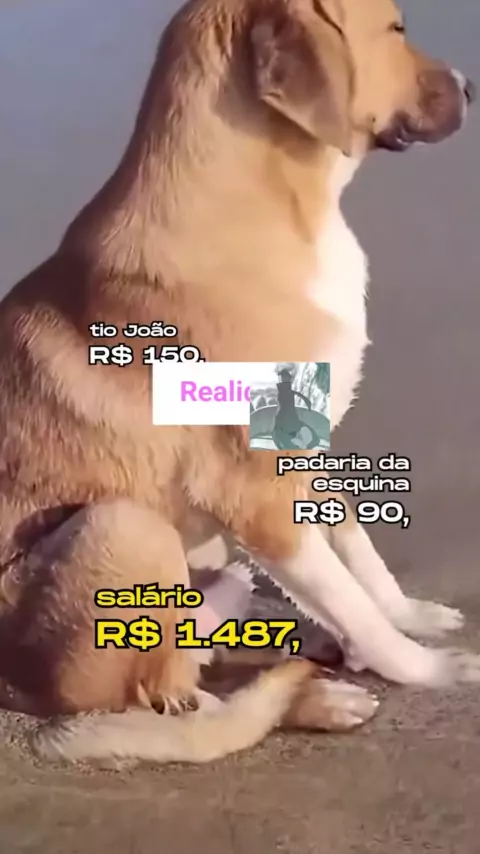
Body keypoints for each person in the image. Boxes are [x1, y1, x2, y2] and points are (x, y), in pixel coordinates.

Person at [272, 369, 312, 450]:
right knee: (286, 437)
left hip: (287, 418)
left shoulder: (286, 391)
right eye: (284, 377)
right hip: (286, 418)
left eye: (286, 377)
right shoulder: (285, 391)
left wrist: (306, 401)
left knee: (288, 436)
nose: (286, 379)